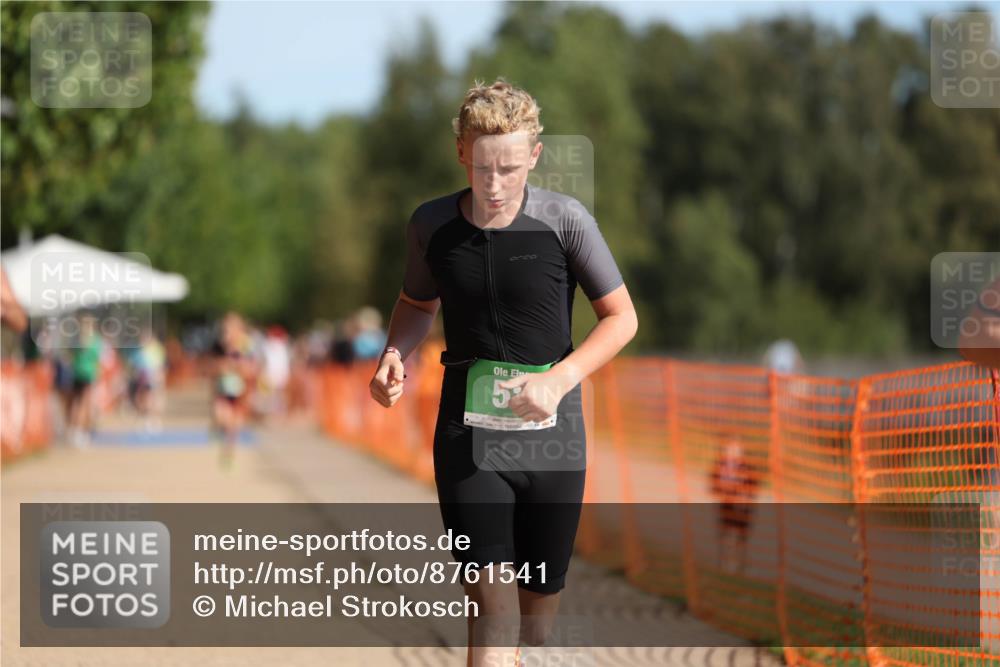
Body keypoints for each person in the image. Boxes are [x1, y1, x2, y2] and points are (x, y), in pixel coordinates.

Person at [369, 79, 638, 666]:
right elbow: (417, 305)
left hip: (554, 440)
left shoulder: (565, 221)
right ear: (462, 152)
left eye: (510, 169)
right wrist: (394, 355)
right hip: (468, 436)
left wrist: (558, 380)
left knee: (535, 628)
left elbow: (621, 319)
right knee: (495, 610)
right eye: (483, 167)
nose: (494, 185)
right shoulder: (431, 225)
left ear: (534, 157)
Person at [210, 312, 259, 467]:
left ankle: (228, 451)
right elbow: (213, 366)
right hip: (223, 388)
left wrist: (236, 366)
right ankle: (223, 434)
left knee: (234, 423)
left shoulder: (246, 344)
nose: (227, 332)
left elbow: (251, 366)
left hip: (241, 389)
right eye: (225, 329)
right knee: (221, 416)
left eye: (229, 328)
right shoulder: (220, 345)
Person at [709, 436, 760, 574]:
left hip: (742, 508)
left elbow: (754, 486)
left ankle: (739, 564)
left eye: (737, 450)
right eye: (731, 450)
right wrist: (722, 491)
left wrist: (744, 496)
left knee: (740, 537)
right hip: (726, 505)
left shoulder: (747, 468)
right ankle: (723, 561)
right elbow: (713, 484)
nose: (734, 453)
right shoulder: (720, 465)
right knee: (724, 534)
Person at [67, 315, 103, 448]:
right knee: (84, 404)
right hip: (88, 375)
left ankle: (73, 430)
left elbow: (70, 356)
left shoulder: (77, 339)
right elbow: (98, 359)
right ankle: (80, 432)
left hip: (77, 373)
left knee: (76, 403)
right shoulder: (95, 340)